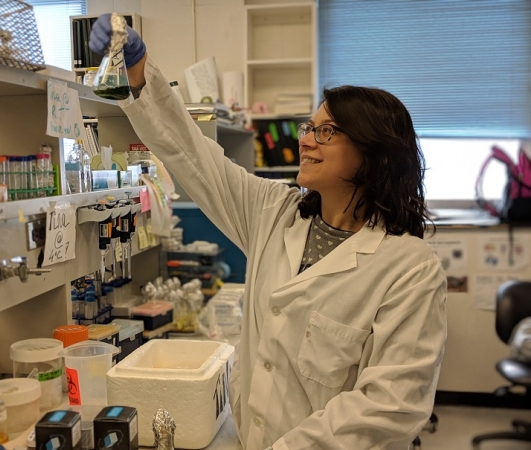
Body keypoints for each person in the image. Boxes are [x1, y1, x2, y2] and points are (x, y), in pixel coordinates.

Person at [90, 14, 447, 450]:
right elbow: (193, 155)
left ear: (375, 155)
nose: (307, 140)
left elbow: (391, 405)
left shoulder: (409, 268)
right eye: (309, 128)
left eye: (326, 131)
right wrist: (139, 72)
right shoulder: (274, 212)